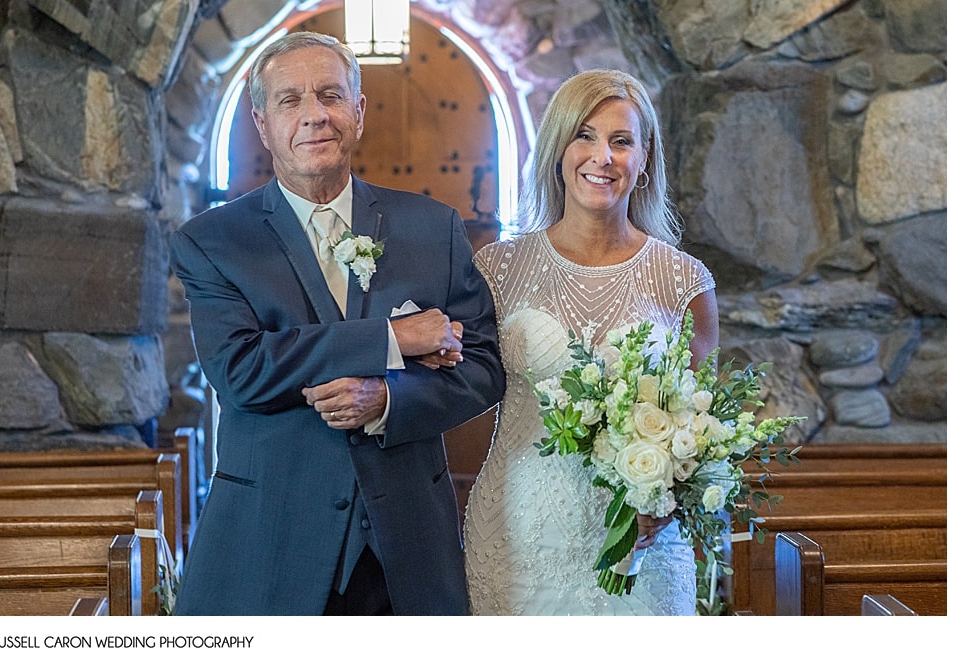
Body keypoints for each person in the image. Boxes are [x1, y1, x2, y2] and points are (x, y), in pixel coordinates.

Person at [169, 31, 504, 615]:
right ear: (262, 122)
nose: (315, 115)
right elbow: (241, 371)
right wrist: (393, 339)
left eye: (330, 94)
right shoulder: (213, 241)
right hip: (270, 539)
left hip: (407, 544)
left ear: (359, 111)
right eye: (290, 100)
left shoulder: (433, 227)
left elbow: (482, 368)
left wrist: (388, 403)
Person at [463, 69, 719, 615]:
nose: (602, 156)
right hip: (519, 540)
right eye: (585, 135)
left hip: (641, 551)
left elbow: (704, 428)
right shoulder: (497, 269)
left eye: (621, 141)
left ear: (644, 159)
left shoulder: (684, 281)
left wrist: (668, 498)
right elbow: (458, 385)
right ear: (558, 150)